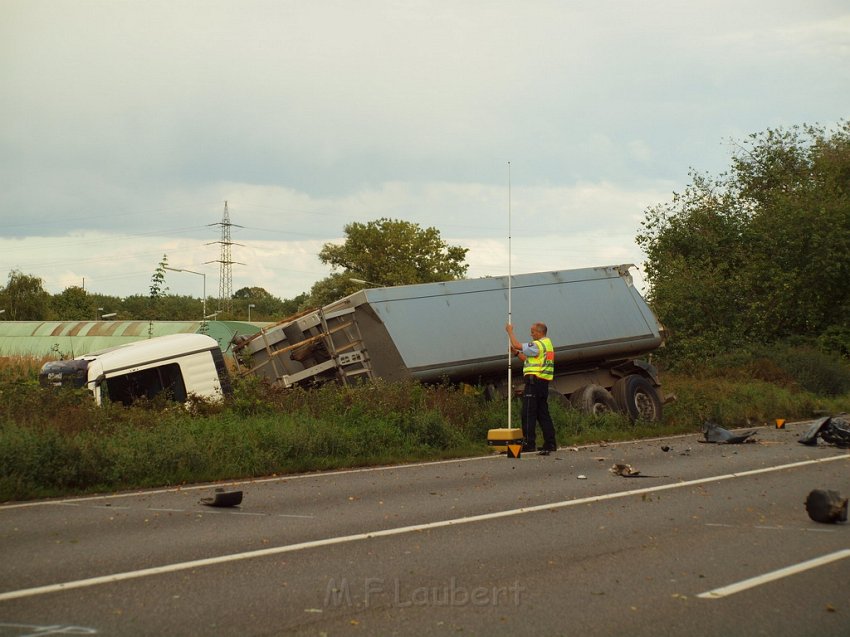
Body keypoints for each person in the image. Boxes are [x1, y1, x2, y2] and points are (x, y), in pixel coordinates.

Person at [506, 322, 557, 453]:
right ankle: (550, 443)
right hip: (542, 383)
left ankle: (529, 443)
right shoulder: (547, 345)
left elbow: (517, 344)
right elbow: (528, 360)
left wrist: (510, 331)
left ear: (540, 332)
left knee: (528, 413)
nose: (531, 334)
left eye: (533, 332)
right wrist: (517, 354)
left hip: (534, 384)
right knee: (542, 414)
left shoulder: (537, 345)